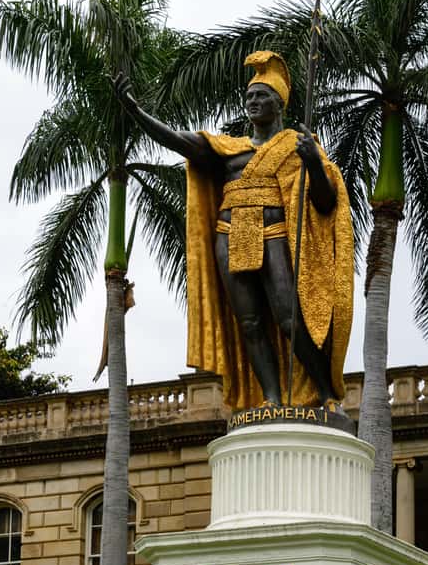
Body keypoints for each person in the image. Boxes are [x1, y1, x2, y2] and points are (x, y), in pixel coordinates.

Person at [115, 51, 353, 411]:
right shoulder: (229, 149)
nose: (253, 102)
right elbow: (180, 141)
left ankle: (323, 392)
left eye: (261, 96)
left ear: (279, 103)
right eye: (249, 97)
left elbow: (324, 202)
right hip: (230, 233)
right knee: (250, 322)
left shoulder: (295, 146)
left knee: (289, 318)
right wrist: (136, 113)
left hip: (273, 232)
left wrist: (314, 164)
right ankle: (271, 396)